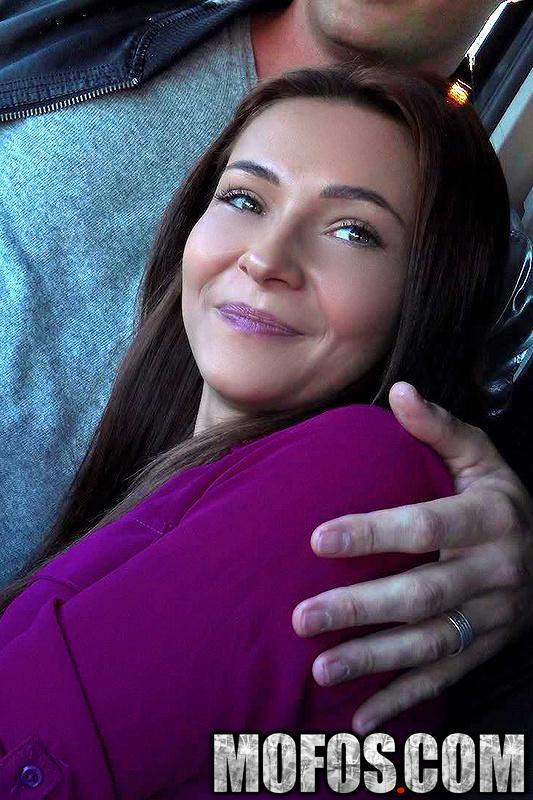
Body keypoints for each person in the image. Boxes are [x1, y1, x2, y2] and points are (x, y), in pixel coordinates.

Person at [0, 0, 532, 731]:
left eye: (353, 232)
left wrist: (509, 562)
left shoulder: (350, 489)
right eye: (244, 199)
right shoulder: (93, 15)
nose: (263, 259)